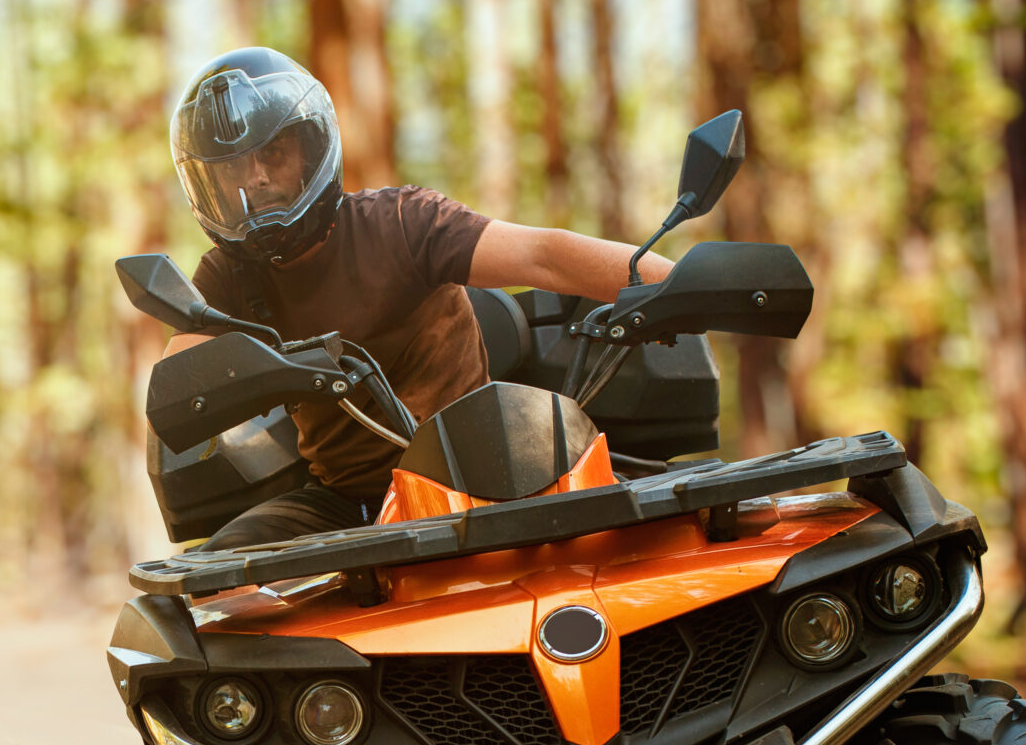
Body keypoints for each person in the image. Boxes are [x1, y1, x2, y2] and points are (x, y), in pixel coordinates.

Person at [161, 45, 676, 551]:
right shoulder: (229, 275)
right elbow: (177, 379)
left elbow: (543, 254)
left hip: (485, 470)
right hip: (350, 501)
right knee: (208, 597)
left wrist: (681, 282)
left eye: (272, 152)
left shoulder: (403, 223)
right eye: (232, 167)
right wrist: (264, 368)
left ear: (309, 147)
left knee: (667, 535)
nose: (255, 177)